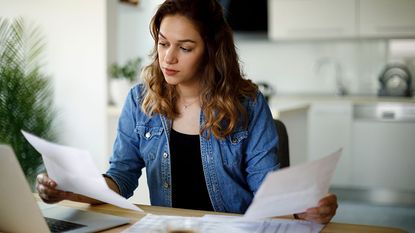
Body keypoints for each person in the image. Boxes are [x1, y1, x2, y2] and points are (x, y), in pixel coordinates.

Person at [36, 0, 338, 224]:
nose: (168, 57)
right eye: (163, 43)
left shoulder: (247, 103)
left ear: (211, 50)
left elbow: (268, 193)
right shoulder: (140, 101)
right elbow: (121, 178)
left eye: (185, 47)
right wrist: (72, 190)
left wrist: (306, 208)